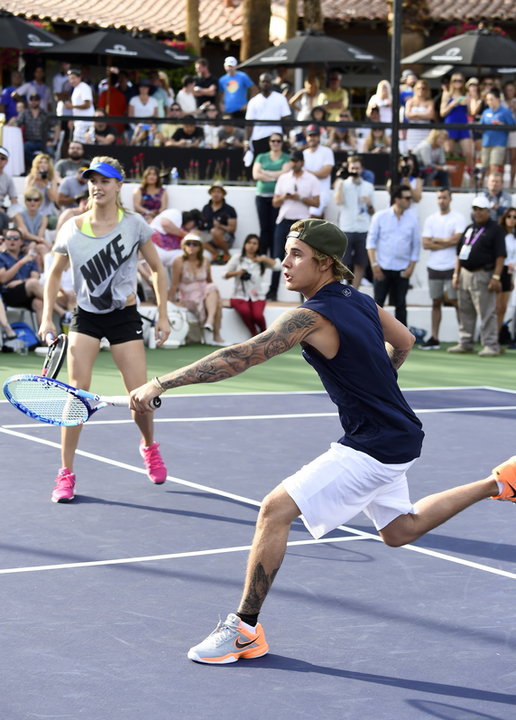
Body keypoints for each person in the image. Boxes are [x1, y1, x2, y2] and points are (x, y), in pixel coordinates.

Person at [129, 217, 516, 665]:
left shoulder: (309, 315)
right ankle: (499, 481)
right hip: (398, 434)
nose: (285, 262)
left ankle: (245, 631)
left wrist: (160, 382)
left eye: (297, 254)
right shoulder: (363, 301)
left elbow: (241, 356)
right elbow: (405, 340)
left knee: (274, 510)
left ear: (326, 263)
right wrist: (377, 382)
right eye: (286, 251)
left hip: (374, 443)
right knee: (398, 531)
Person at [39, 156, 171, 503]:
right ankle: (65, 474)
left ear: (119, 186)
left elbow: (157, 268)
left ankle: (148, 446)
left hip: (124, 317)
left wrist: (163, 315)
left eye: (106, 180)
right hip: (86, 316)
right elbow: (53, 274)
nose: (98, 186)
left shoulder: (134, 224)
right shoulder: (71, 226)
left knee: (140, 396)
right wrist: (46, 317)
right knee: (75, 395)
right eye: (92, 180)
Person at [448, 195, 506, 357]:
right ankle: (466, 342)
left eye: (481, 209)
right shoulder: (469, 228)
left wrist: (495, 277)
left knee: (487, 311)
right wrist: (455, 274)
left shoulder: (495, 230)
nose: (478, 213)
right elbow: (459, 254)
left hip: (483, 274)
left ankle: (491, 344)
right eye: (475, 209)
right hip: (465, 274)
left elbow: (500, 256)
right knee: (465, 310)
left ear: (488, 211)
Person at [269, 150, 320, 300]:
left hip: (302, 224)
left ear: (302, 162)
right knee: (278, 257)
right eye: (292, 160)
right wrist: (285, 197)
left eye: (296, 161)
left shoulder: (311, 179)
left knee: (302, 259)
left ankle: (302, 295)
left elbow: (316, 203)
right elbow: (274, 202)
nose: (294, 163)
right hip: (284, 220)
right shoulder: (283, 178)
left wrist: (301, 199)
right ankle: (272, 292)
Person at [366, 185, 420, 326]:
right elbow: (370, 242)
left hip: (402, 269)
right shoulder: (380, 216)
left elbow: (416, 245)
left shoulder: (413, 219)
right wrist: (374, 265)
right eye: (407, 198)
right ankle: (372, 336)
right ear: (397, 199)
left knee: (401, 304)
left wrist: (411, 267)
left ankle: (402, 341)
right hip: (382, 267)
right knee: (377, 305)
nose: (410, 200)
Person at [419, 188, 465, 349]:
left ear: (450, 199)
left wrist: (436, 241)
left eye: (444, 198)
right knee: (436, 301)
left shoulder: (458, 218)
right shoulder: (431, 219)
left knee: (455, 301)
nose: (441, 201)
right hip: (434, 266)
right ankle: (435, 337)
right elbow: (425, 243)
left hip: (452, 266)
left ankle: (463, 338)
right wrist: (447, 240)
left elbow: (457, 240)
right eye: (439, 198)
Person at [168, 232, 224, 345]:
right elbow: (174, 283)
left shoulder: (205, 261)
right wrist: (168, 301)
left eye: (195, 244)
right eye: (188, 244)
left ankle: (210, 321)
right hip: (188, 296)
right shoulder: (178, 261)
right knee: (216, 301)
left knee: (213, 291)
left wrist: (217, 296)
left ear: (200, 247)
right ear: (184, 245)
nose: (191, 247)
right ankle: (216, 335)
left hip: (205, 291)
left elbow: (209, 280)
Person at [224, 233, 278, 336]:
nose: (251, 245)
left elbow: (278, 267)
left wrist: (264, 259)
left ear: (258, 246)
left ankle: (265, 334)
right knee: (245, 312)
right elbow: (224, 274)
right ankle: (254, 334)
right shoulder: (237, 258)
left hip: (257, 296)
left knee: (257, 316)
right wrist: (238, 272)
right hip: (239, 295)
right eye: (249, 242)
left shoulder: (261, 260)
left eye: (255, 243)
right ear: (244, 244)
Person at [334, 155, 375, 288]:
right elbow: (338, 201)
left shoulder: (368, 186)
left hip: (363, 227)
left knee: (361, 262)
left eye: (357, 168)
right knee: (343, 261)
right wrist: (340, 180)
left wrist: (369, 204)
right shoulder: (343, 184)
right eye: (352, 168)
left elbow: (373, 212)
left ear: (361, 169)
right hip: (347, 227)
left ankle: (355, 290)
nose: (355, 170)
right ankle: (342, 287)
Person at [0, 227, 50, 325]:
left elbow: (35, 278)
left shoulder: (28, 257)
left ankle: (46, 339)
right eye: (9, 238)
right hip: (9, 294)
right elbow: (3, 279)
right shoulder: (1, 257)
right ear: (5, 241)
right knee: (32, 283)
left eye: (15, 238)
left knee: (39, 303)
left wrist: (21, 281)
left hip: (27, 292)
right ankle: (61, 312)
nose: (12, 241)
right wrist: (22, 262)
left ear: (21, 241)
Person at [252, 133, 290, 256]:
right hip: (262, 196)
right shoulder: (261, 157)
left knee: (275, 227)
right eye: (273, 141)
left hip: (278, 198)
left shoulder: (286, 157)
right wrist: (275, 176)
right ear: (269, 142)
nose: (275, 143)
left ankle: (275, 255)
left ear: (282, 143)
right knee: (264, 228)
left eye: (278, 141)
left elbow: (285, 174)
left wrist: (266, 173)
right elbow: (256, 175)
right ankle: (263, 255)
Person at [244, 73, 291, 157]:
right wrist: (247, 141)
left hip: (276, 139)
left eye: (268, 81)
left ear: (271, 83)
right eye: (263, 81)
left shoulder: (280, 98)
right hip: (258, 138)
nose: (265, 84)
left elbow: (286, 119)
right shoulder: (253, 101)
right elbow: (249, 123)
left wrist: (287, 137)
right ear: (259, 83)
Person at [440, 73, 475, 169]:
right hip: (450, 125)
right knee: (448, 151)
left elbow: (470, 114)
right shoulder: (447, 94)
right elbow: (442, 113)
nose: (457, 83)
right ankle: (448, 177)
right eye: (455, 80)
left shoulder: (466, 95)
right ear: (451, 82)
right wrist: (452, 104)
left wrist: (468, 103)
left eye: (460, 81)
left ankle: (472, 177)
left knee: (468, 153)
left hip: (463, 125)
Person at [15, 92, 56, 170]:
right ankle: (36, 166)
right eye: (32, 100)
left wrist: (53, 140)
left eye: (36, 100)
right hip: (30, 141)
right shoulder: (25, 113)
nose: (34, 102)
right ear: (29, 101)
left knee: (50, 152)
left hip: (44, 141)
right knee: (22, 149)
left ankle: (48, 171)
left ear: (39, 101)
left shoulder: (45, 113)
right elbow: (17, 123)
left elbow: (54, 126)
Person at [302, 124, 335, 219]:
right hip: (306, 193)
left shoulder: (326, 151)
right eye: (310, 135)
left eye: (315, 135)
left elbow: (324, 173)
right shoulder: (304, 153)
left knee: (313, 218)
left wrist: (306, 172)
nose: (312, 138)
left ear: (319, 136)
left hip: (322, 193)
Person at [479, 88, 515, 174]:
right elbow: (480, 126)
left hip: (499, 143)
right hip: (486, 142)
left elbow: (513, 126)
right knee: (484, 166)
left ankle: (493, 184)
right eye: (487, 100)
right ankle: (482, 185)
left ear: (498, 99)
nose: (489, 102)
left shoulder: (505, 112)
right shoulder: (485, 112)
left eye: (491, 99)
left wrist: (502, 125)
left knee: (494, 165)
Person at [201, 182, 237, 264]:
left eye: (218, 192)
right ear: (210, 193)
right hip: (210, 237)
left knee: (215, 231)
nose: (216, 194)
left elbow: (233, 229)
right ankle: (216, 255)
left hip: (226, 238)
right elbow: (202, 225)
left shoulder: (229, 209)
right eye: (214, 192)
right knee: (195, 235)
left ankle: (227, 255)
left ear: (223, 194)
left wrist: (220, 226)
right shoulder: (206, 208)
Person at [14, 188, 51, 266]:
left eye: (36, 199)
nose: (32, 202)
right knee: (39, 249)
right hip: (21, 245)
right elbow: (25, 234)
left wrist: (36, 242)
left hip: (37, 244)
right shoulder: (18, 215)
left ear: (40, 201)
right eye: (29, 199)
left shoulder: (44, 218)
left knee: (40, 249)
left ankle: (47, 274)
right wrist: (39, 241)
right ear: (25, 201)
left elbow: (40, 235)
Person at [24, 153, 59, 229]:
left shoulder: (52, 178)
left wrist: (47, 184)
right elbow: (26, 196)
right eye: (40, 162)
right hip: (32, 211)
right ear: (36, 165)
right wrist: (34, 181)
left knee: (53, 221)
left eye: (45, 162)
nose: (43, 165)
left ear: (48, 165)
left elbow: (53, 199)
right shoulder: (30, 177)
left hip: (48, 212)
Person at [496, 208, 516, 335]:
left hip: (509, 272)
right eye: (509, 216)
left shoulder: (514, 237)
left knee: (503, 308)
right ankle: (491, 335)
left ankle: (497, 335)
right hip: (499, 270)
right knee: (496, 308)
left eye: (514, 217)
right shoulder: (499, 234)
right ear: (504, 218)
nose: (512, 219)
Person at [65, 69, 95, 143]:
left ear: (79, 77)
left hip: (86, 123)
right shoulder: (76, 88)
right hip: (79, 122)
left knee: (83, 144)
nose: (71, 81)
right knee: (77, 144)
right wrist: (72, 119)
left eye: (73, 78)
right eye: (70, 79)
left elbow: (87, 104)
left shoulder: (84, 87)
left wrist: (72, 106)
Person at [404, 80, 435, 152]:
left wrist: (415, 115)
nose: (421, 90)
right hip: (413, 132)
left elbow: (431, 115)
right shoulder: (410, 101)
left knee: (425, 151)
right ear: (415, 89)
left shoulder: (430, 102)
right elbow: (407, 115)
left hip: (425, 131)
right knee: (411, 153)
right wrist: (423, 115)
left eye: (423, 88)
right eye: (419, 88)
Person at [0, 145, 18, 210]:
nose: (0, 160)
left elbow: (14, 200)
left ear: (6, 161)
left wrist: (14, 213)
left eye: (3, 158)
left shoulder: (8, 179)